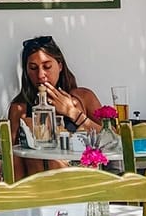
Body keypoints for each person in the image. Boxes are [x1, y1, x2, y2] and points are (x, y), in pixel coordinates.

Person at [7, 36, 104, 177]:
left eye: (47, 67)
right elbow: (14, 162)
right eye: (33, 68)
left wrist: (73, 113)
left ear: (60, 65)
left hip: (82, 188)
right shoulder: (20, 108)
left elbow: (113, 141)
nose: (40, 75)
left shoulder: (83, 97)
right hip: (39, 191)